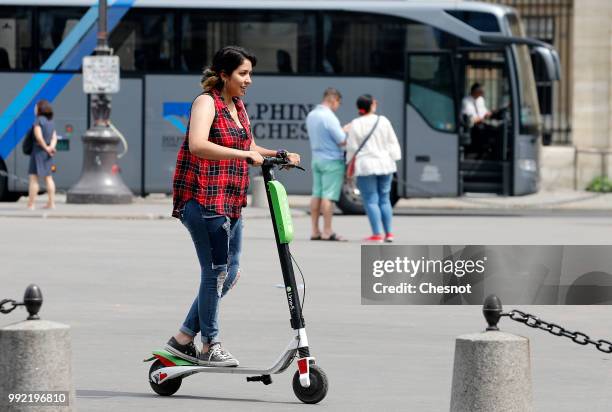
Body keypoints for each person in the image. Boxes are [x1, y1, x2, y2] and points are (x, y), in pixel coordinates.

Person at [166, 46, 300, 367]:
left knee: (231, 271)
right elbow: (199, 144)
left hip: (231, 200)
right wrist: (244, 156)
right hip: (204, 198)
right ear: (224, 75)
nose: (249, 80)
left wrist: (278, 155)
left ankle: (183, 338)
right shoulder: (206, 102)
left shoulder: (237, 105)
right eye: (243, 73)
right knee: (215, 272)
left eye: (250, 73)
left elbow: (248, 145)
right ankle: (209, 343)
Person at [346, 94, 401, 243]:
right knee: (385, 199)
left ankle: (377, 234)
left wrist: (349, 165)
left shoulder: (356, 123)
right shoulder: (383, 121)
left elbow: (351, 147)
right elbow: (393, 143)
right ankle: (389, 233)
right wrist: (394, 158)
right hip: (386, 164)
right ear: (371, 105)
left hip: (365, 166)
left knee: (371, 200)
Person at [306, 87, 349, 241]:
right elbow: (342, 140)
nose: (338, 106)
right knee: (328, 197)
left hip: (316, 159)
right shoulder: (329, 117)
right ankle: (327, 231)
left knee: (316, 194)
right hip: (332, 160)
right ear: (333, 100)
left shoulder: (312, 115)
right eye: (339, 103)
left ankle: (315, 231)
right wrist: (346, 130)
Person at [27, 99, 57, 210]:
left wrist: (45, 148)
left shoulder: (38, 121)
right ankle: (51, 203)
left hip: (38, 152)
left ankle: (31, 204)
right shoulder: (51, 122)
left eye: (36, 107)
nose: (34, 109)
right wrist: (51, 148)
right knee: (49, 178)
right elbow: (54, 137)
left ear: (40, 109)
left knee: (34, 179)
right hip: (48, 153)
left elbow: (38, 137)